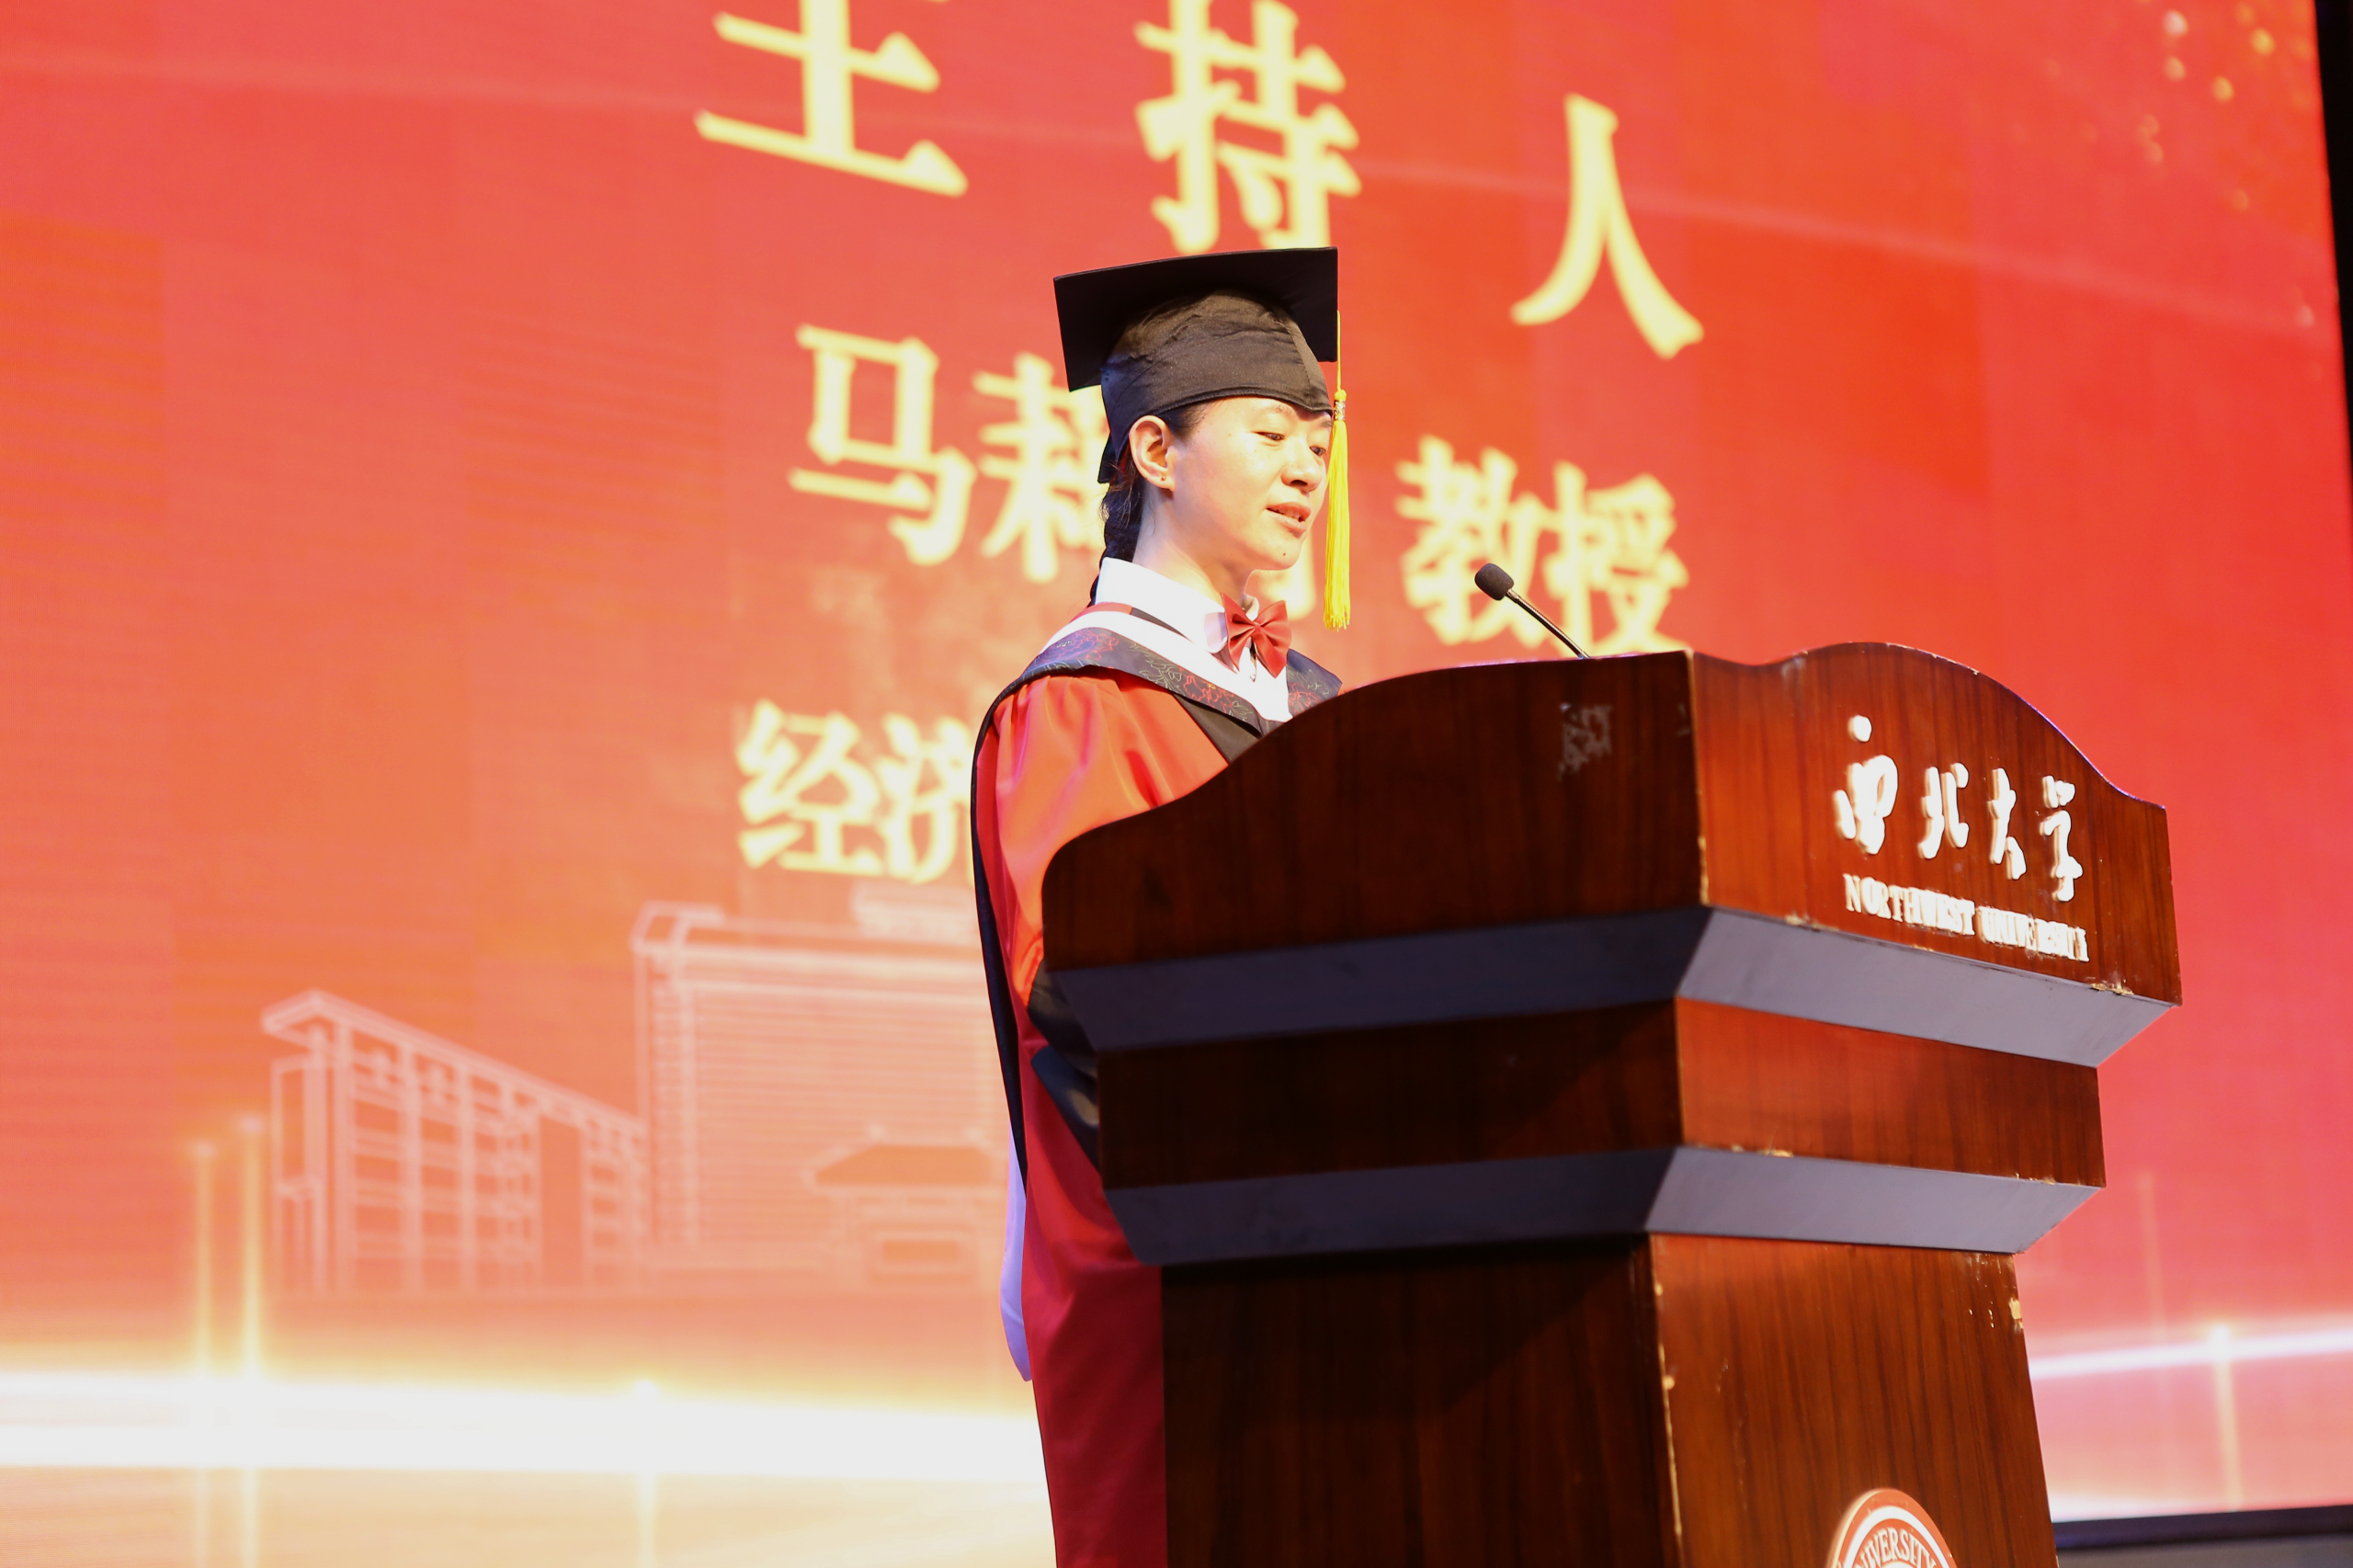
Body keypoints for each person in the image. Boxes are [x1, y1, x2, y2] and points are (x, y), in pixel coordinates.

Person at [970, 246, 1348, 1568]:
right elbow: (1084, 996)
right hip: (1174, 1265)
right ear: (1155, 450)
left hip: (1341, 1249)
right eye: (1271, 434)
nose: (1308, 469)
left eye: (1319, 441)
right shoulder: (1083, 700)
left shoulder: (1319, 710)